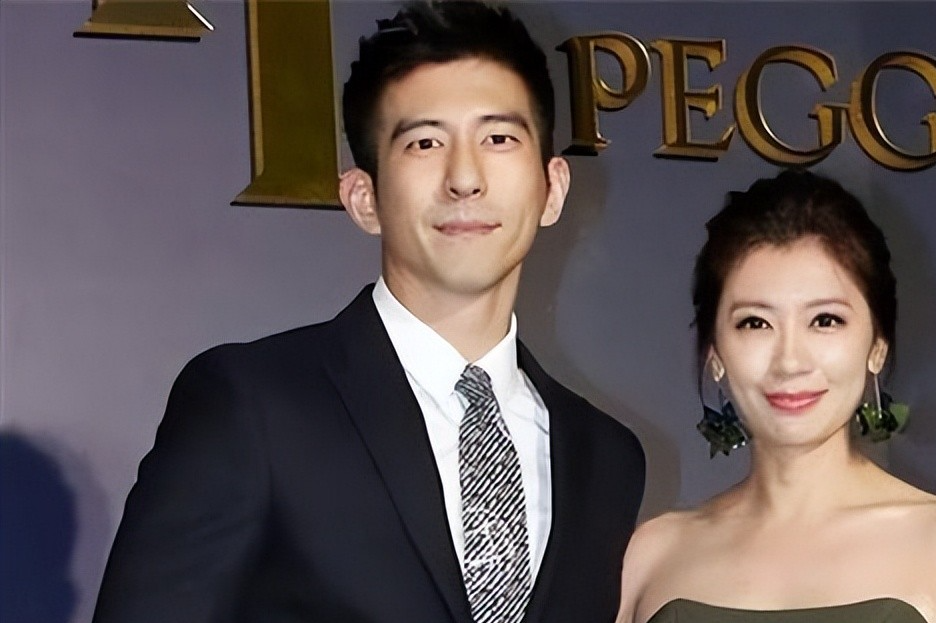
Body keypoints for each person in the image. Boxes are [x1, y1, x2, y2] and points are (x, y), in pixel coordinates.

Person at [93, 2, 645, 622]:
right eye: (425, 142)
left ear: (553, 188)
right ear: (364, 199)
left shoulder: (606, 458)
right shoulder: (255, 405)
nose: (465, 178)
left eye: (498, 138)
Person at [616, 169, 936, 623]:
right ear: (715, 353)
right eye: (755, 323)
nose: (790, 361)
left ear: (877, 347)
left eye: (825, 320)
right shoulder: (653, 554)